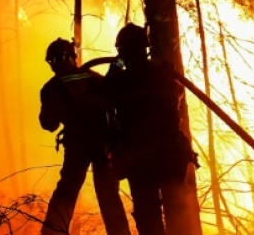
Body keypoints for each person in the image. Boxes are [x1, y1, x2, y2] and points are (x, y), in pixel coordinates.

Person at [103, 23, 195, 235]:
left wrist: (116, 65)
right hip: (171, 153)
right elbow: (177, 94)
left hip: (141, 158)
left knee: (149, 217)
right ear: (144, 48)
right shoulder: (163, 73)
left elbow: (105, 93)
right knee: (178, 211)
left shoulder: (120, 81)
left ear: (123, 51)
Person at [39, 38, 131, 235]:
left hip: (77, 147)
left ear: (54, 61)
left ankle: (52, 233)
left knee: (66, 191)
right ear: (72, 57)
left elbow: (49, 124)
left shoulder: (52, 88)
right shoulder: (94, 78)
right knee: (109, 196)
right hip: (104, 145)